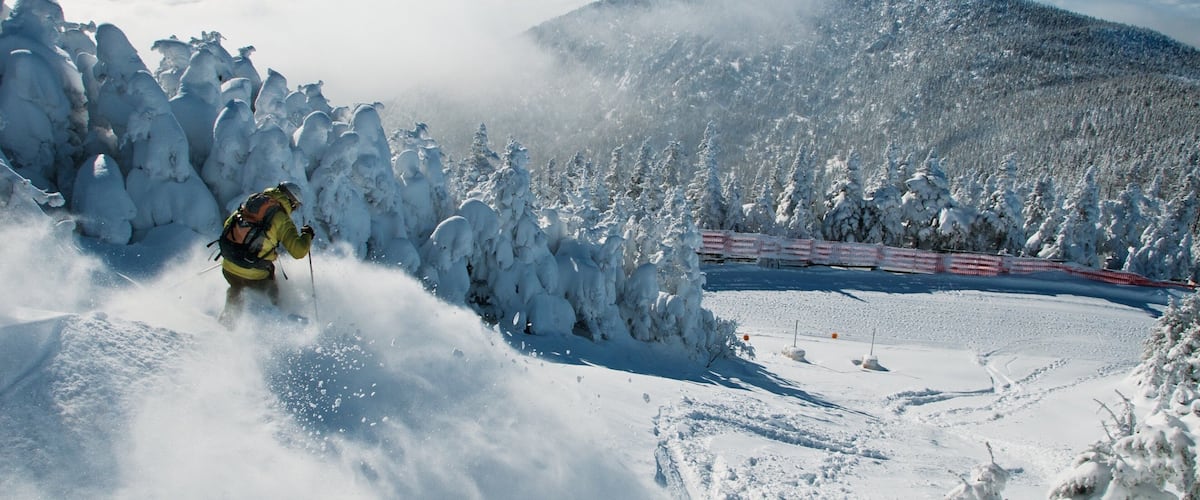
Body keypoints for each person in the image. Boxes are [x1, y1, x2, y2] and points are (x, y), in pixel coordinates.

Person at [218, 181, 314, 326]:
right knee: (271, 293)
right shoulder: (282, 219)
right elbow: (298, 251)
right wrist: (307, 236)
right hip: (254, 273)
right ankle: (272, 327)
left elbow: (228, 224)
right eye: (296, 206)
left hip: (228, 265)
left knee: (237, 286)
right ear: (292, 202)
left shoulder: (251, 203)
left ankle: (227, 323)